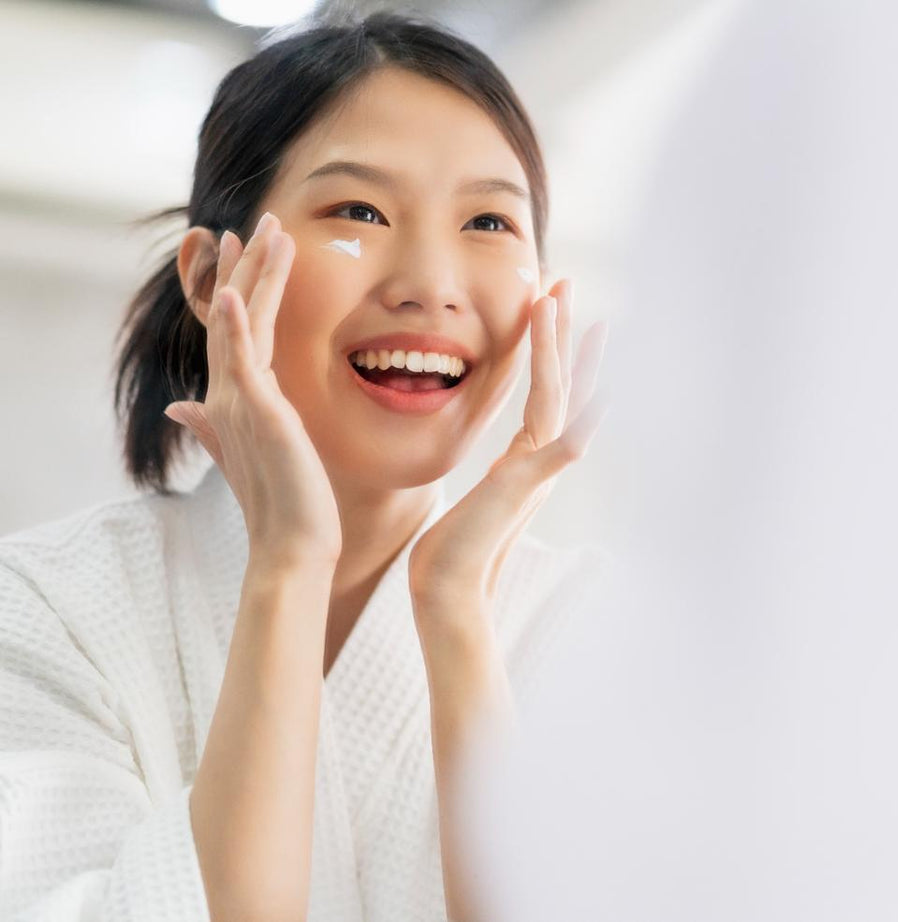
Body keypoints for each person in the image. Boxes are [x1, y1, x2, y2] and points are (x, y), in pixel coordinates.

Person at [0, 10, 610, 922]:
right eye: (358, 211)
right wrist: (287, 568)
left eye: (488, 220)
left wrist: (456, 615)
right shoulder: (46, 610)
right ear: (211, 279)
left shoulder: (602, 628)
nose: (431, 282)